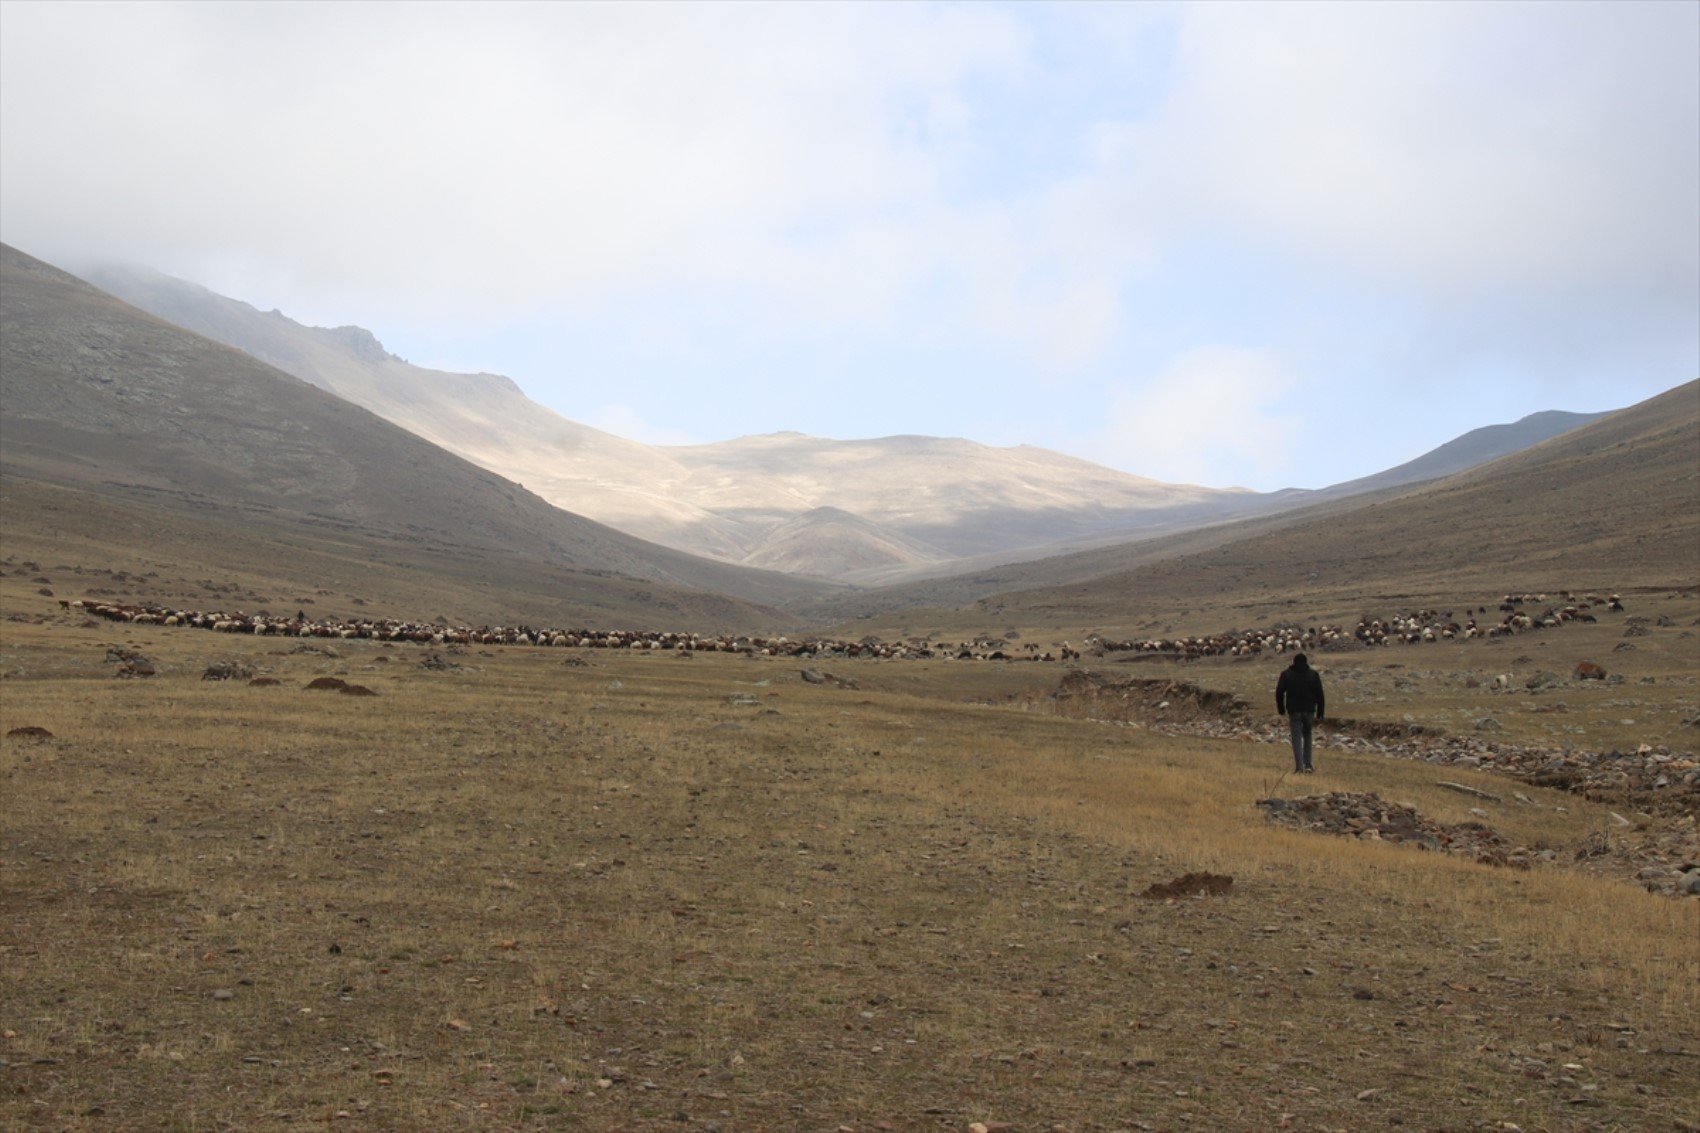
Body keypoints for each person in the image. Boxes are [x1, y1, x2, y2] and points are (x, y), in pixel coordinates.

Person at [1275, 653, 1325, 773]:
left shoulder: (1286, 674)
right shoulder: (1313, 674)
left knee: (1296, 737)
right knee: (1307, 735)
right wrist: (1320, 712)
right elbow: (1320, 694)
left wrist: (1281, 709)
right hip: (1309, 710)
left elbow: (1279, 693)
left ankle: (1299, 767)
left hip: (1294, 710)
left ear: (1294, 662)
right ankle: (1308, 764)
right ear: (1306, 661)